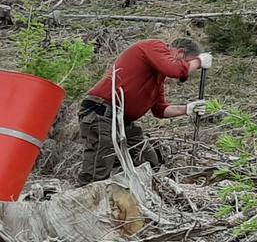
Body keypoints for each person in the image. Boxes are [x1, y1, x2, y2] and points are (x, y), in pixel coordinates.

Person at [77, 38, 212, 185]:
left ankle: (124, 191)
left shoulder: (156, 78)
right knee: (98, 168)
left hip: (122, 121)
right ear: (180, 53)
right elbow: (175, 70)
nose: (188, 69)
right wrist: (199, 61)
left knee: (148, 161)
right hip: (101, 113)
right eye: (187, 62)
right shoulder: (154, 46)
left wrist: (187, 109)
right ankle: (85, 194)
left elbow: (160, 110)